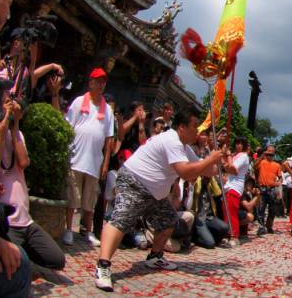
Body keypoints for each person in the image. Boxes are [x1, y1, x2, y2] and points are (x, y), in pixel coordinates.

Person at [94, 108, 225, 292]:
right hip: (135, 182)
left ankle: (155, 257)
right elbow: (186, 172)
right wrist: (210, 159)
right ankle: (103, 265)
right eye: (195, 126)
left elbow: (205, 170)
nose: (197, 131)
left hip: (156, 193)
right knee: (120, 220)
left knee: (169, 220)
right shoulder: (171, 140)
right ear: (182, 127)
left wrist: (218, 162)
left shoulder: (184, 147)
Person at [0, 98, 65, 270]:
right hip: (8, 223)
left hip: (27, 221)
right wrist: (0, 133)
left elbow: (23, 162)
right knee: (14, 261)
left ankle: (25, 261)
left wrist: (14, 124)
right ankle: (24, 263)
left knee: (57, 260)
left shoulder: (17, 134)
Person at [63, 67, 115, 247]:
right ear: (90, 82)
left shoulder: (107, 109)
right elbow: (68, 126)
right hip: (76, 157)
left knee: (90, 200)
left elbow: (109, 138)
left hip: (94, 161)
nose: (100, 84)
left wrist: (106, 162)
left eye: (103, 81)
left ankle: (88, 231)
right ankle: (69, 229)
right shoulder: (79, 102)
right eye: (97, 81)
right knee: (72, 196)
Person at [222, 136, 249, 246]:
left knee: (231, 212)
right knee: (226, 211)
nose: (238, 145)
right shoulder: (234, 155)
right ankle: (226, 234)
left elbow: (233, 169)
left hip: (235, 186)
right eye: (237, 143)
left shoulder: (243, 156)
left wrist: (228, 155)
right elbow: (226, 167)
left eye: (240, 143)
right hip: (228, 185)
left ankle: (234, 235)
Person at [254, 145, 282, 235]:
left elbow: (280, 177)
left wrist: (279, 183)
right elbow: (254, 166)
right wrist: (262, 155)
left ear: (274, 154)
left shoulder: (277, 165)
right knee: (260, 209)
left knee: (273, 209)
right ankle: (261, 227)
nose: (270, 154)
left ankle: (269, 226)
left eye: (272, 153)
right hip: (262, 188)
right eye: (268, 152)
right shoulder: (261, 162)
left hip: (272, 189)